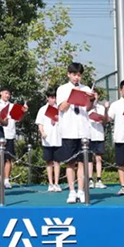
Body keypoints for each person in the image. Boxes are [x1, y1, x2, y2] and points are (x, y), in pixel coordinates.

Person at [56, 62, 97, 204]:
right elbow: (61, 108)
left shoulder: (86, 88)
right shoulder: (62, 89)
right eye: (74, 74)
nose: (76, 77)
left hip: (84, 131)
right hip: (69, 130)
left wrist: (91, 99)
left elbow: (88, 108)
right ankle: (72, 191)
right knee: (70, 163)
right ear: (68, 74)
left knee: (82, 163)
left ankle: (81, 190)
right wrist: (72, 96)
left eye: (79, 75)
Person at [0, 87, 28, 190]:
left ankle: (6, 180)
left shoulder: (13, 106)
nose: (7, 95)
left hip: (10, 134)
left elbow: (19, 119)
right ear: (1, 93)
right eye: (6, 93)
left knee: (8, 159)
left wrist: (24, 112)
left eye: (9, 94)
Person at [35, 88, 62, 192]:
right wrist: (42, 133)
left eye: (55, 97)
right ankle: (50, 183)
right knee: (49, 162)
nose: (53, 99)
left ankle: (56, 183)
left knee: (57, 162)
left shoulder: (60, 109)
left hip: (58, 138)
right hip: (47, 140)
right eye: (51, 97)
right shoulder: (42, 109)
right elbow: (40, 124)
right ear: (47, 98)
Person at [88, 98, 109, 190]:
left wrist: (103, 118)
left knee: (99, 158)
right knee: (89, 159)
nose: (95, 98)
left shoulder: (101, 108)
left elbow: (106, 121)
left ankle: (99, 179)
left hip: (99, 135)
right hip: (89, 135)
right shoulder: (87, 107)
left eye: (96, 95)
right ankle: (90, 179)